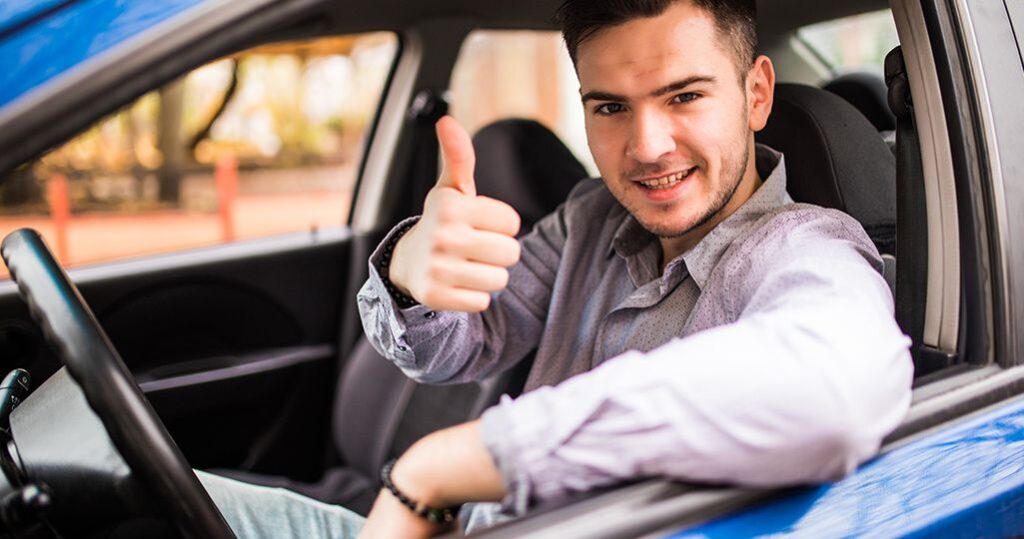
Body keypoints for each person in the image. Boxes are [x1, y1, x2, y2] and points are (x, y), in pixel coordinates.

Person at [199, 0, 914, 537]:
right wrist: (415, 271)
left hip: (444, 507)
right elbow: (458, 347)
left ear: (756, 94)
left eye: (685, 96)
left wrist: (447, 466)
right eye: (610, 107)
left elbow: (836, 388)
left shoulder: (807, 249)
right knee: (123, 492)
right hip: (450, 522)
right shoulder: (591, 217)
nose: (648, 145)